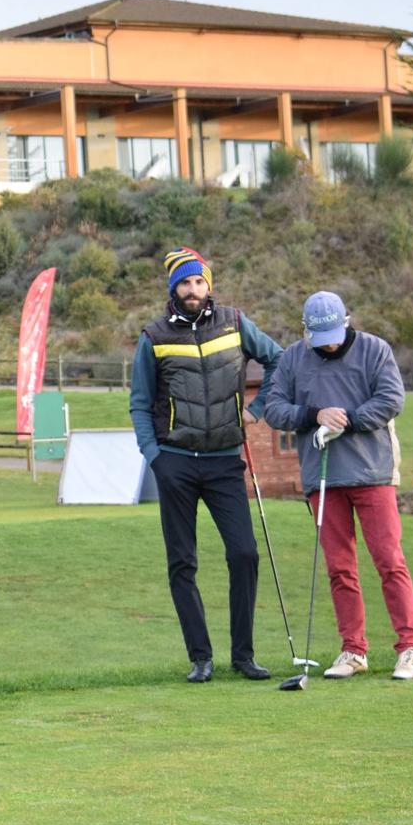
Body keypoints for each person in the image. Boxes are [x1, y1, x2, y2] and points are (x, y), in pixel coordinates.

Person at [129, 247, 283, 683]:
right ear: (173, 289)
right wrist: (154, 457)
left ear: (208, 285)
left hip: (223, 462)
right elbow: (139, 404)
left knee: (245, 554)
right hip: (174, 462)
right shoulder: (154, 337)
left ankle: (244, 655)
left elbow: (279, 361)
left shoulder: (235, 323)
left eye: (199, 282)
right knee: (182, 562)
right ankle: (201, 658)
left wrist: (258, 411)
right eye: (185, 283)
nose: (193, 289)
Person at [263, 291, 413, 681]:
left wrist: (347, 420)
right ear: (306, 331)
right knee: (340, 569)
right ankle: (353, 650)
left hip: (372, 473)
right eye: (320, 337)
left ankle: (409, 650)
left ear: (346, 321)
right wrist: (314, 414)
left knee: (389, 561)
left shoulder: (374, 350)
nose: (329, 344)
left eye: (334, 334)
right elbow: (274, 408)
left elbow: (390, 399)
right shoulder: (294, 358)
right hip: (323, 477)